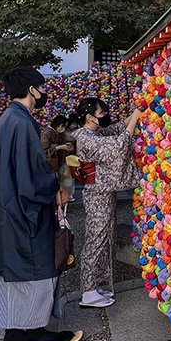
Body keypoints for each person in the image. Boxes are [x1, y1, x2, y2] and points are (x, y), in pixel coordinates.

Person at [0, 66, 82, 341]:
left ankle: (15, 332)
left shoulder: (9, 119)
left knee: (16, 271)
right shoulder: (22, 123)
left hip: (8, 206)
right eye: (41, 87)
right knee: (37, 267)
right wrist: (56, 188)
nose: (44, 92)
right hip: (23, 207)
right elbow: (31, 174)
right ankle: (34, 333)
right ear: (32, 89)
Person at [73, 98, 140, 309]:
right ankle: (88, 290)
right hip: (96, 195)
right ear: (89, 116)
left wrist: (137, 112)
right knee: (96, 240)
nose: (105, 116)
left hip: (103, 194)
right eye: (101, 113)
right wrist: (136, 118)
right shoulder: (84, 137)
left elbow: (116, 129)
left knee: (105, 239)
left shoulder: (94, 132)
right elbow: (117, 146)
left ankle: (98, 285)